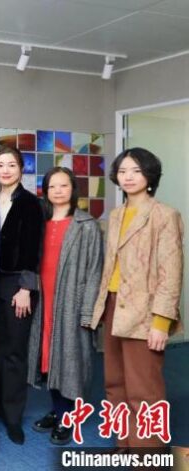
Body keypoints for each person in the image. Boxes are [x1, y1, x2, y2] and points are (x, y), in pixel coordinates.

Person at [90, 148, 183, 450]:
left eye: (136, 171)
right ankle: (125, 443)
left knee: (144, 389)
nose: (128, 177)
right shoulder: (116, 215)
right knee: (115, 382)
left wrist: (161, 322)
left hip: (145, 312)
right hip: (113, 305)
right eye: (122, 171)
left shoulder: (165, 215)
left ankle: (148, 456)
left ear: (150, 175)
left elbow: (171, 272)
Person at [27, 167, 102, 446]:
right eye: (52, 186)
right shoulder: (40, 222)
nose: (58, 191)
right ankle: (58, 410)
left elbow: (95, 271)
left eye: (64, 185)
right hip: (43, 299)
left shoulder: (86, 225)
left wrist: (88, 310)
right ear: (45, 191)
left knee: (70, 360)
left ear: (73, 189)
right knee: (48, 357)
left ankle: (67, 416)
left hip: (71, 301)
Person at [0, 146, 43, 445]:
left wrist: (26, 288)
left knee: (14, 351)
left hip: (17, 286)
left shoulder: (30, 203)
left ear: (21, 169)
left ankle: (12, 417)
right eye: (0, 165)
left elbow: (33, 249)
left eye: (11, 165)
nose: (6, 170)